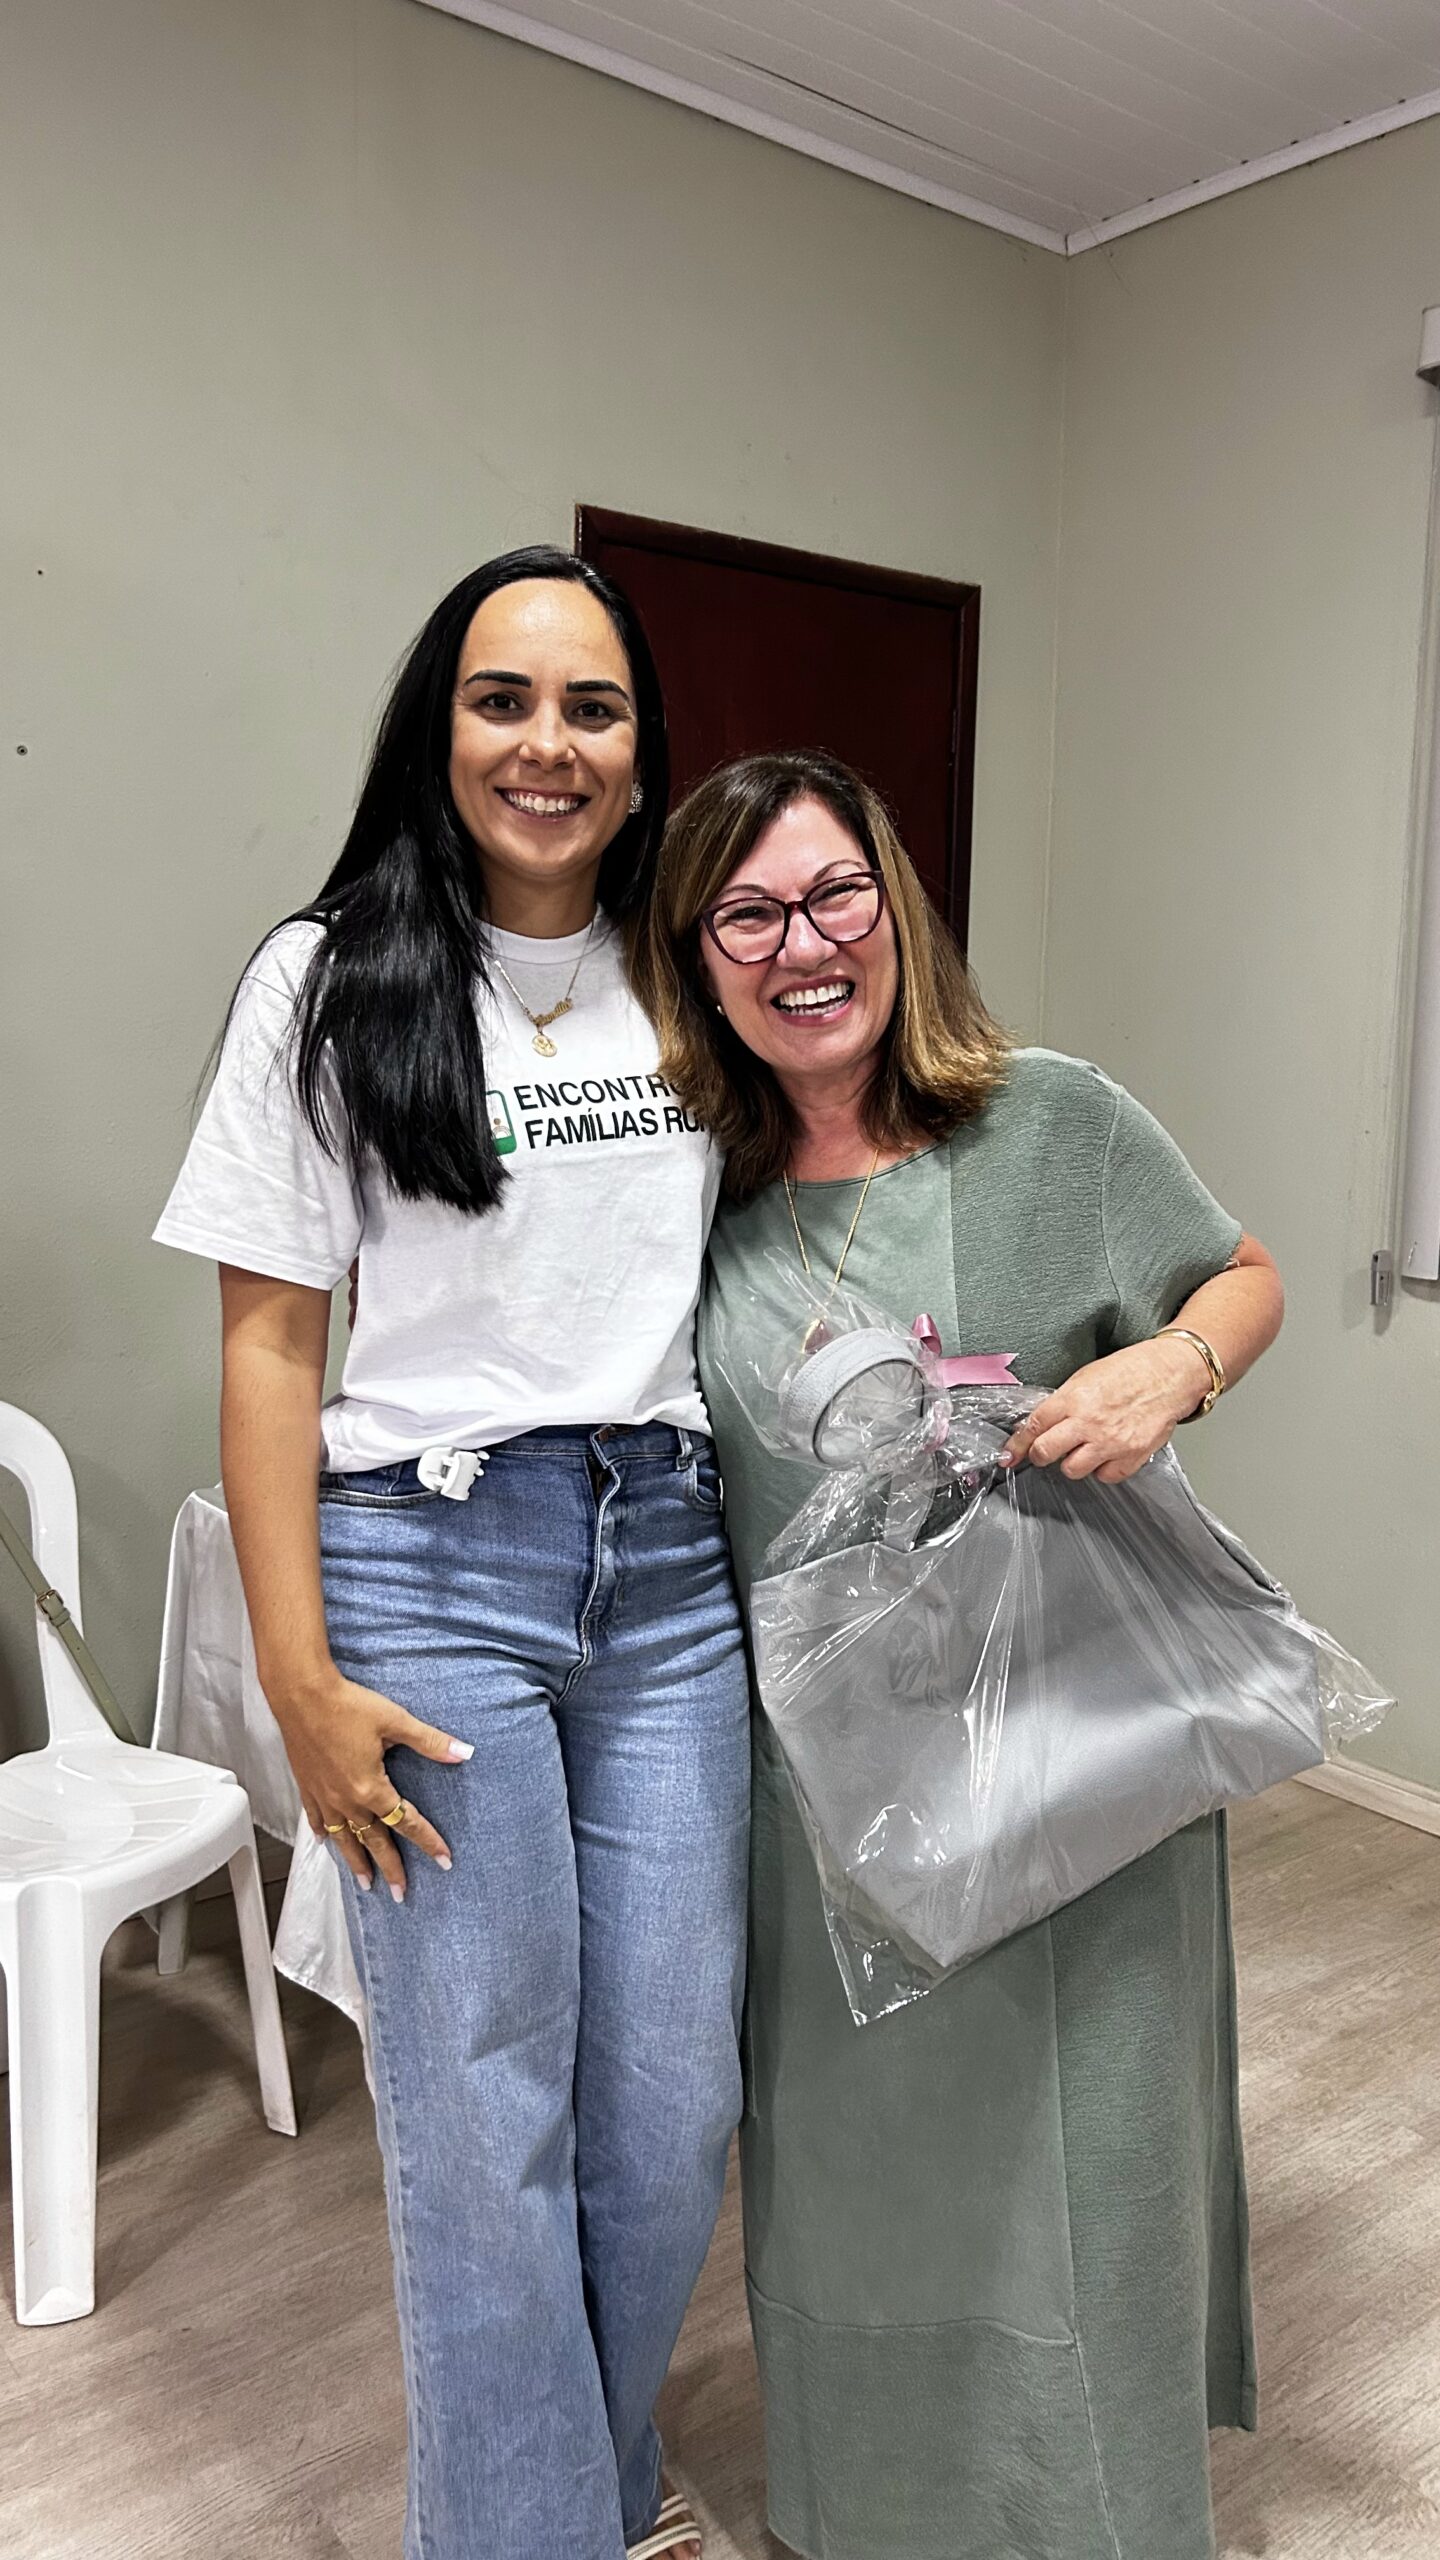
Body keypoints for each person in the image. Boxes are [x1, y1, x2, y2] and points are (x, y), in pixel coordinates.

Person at [154, 548, 747, 2560]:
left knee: (668, 2100)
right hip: (429, 1566)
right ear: (442, 725)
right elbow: (267, 1343)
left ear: (642, 746)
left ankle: (586, 2487)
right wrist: (297, 1680)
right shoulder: (327, 976)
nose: (546, 744)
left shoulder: (691, 965)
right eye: (504, 700)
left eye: (592, 706)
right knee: (485, 2117)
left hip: (668, 1572)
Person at [634, 747, 1285, 2560]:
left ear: (897, 906)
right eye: (746, 914)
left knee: (1089, 2171)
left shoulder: (1050, 1122)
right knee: (864, 2187)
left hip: (1083, 1767)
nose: (804, 944)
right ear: (696, 959)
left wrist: (1172, 1367)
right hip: (834, 1804)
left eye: (836, 892)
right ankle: (876, 2514)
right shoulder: (690, 1199)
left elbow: (1241, 1275)